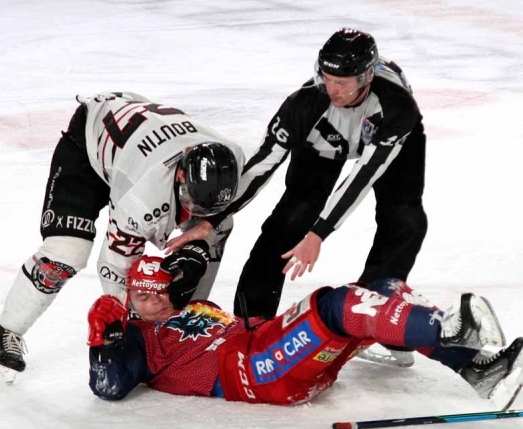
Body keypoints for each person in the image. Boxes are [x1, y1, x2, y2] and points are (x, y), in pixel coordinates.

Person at [167, 28, 428, 367]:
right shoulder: (304, 103)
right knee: (288, 220)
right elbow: (262, 164)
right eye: (327, 78)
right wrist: (213, 218)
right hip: (323, 142)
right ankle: (251, 322)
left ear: (365, 78)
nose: (333, 89)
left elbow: (363, 176)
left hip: (387, 144)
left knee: (405, 219)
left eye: (343, 83)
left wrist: (318, 234)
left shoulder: (396, 105)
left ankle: (376, 312)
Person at [0, 92, 245, 384]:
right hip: (89, 146)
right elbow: (115, 268)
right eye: (190, 202)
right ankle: (7, 331)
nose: (194, 214)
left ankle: (184, 318)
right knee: (66, 253)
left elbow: (240, 195)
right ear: (182, 175)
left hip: (138, 144)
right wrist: (134, 326)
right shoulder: (142, 198)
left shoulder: (234, 156)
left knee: (218, 228)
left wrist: (207, 229)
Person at [87, 255, 523, 410]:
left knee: (382, 291)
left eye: (160, 291)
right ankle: (448, 328)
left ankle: (482, 372)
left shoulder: (197, 307)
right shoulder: (136, 338)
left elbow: (241, 328)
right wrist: (101, 340)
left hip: (270, 354)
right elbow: (109, 387)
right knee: (335, 305)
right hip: (255, 373)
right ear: (130, 297)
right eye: (144, 295)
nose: (156, 301)